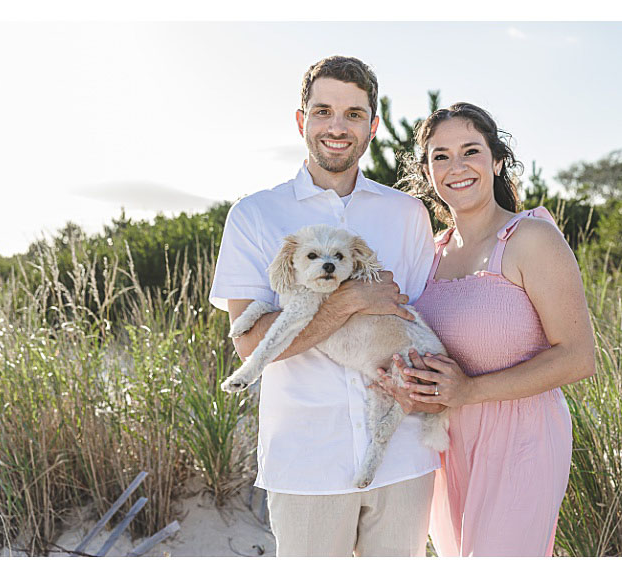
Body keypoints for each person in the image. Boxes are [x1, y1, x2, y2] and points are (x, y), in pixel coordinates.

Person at [209, 55, 445, 556]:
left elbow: (426, 324)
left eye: (354, 114)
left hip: (403, 456)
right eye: (323, 111)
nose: (337, 127)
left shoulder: (407, 215)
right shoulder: (253, 216)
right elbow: (249, 344)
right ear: (301, 120)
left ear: (373, 126)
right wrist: (352, 300)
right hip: (307, 462)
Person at [374, 102, 596, 556]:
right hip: (443, 441)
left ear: (496, 161)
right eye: (440, 156)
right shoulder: (427, 256)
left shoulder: (531, 239)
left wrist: (469, 391)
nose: (456, 167)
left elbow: (578, 357)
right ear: (427, 172)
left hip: (524, 437)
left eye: (470, 151)